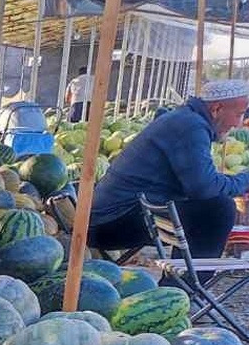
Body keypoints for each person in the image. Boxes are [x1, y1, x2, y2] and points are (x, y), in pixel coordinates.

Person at [89, 78, 249, 258]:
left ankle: (180, 281)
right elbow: (205, 188)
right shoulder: (190, 126)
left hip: (112, 216)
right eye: (239, 114)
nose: (239, 123)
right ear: (217, 109)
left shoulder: (185, 119)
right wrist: (244, 180)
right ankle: (186, 283)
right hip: (110, 223)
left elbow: (199, 183)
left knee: (206, 206)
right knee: (217, 209)